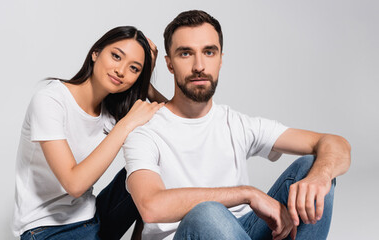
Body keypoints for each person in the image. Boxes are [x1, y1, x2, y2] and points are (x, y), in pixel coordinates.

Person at [122, 10, 351, 240]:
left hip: (242, 231)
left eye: (209, 52)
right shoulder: (145, 130)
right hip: (185, 235)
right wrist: (247, 194)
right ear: (169, 64)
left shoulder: (237, 124)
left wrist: (320, 176)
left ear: (220, 59)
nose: (199, 65)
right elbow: (150, 207)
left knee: (312, 165)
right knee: (207, 213)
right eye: (186, 54)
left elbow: (335, 144)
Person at [12, 26, 167, 240]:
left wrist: (146, 84)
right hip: (46, 230)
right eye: (116, 56)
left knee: (153, 168)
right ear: (95, 53)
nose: (121, 71)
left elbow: (175, 127)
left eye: (134, 68)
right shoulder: (51, 100)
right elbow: (74, 184)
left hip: (93, 218)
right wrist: (126, 125)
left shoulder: (112, 113)